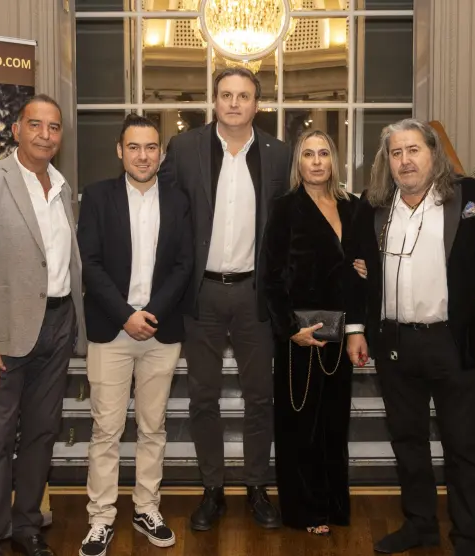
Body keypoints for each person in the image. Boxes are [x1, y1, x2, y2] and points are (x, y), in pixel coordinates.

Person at [346, 118, 475, 556]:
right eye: (396, 153)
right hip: (395, 343)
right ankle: (420, 525)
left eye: (413, 150)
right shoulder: (373, 204)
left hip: (453, 341)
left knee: (462, 445)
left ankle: (467, 536)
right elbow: (355, 270)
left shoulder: (472, 197)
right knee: (408, 441)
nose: (405, 160)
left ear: (433, 153)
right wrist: (357, 328)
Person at [0, 94, 87, 556]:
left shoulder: (62, 187)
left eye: (54, 127)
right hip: (4, 335)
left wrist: (74, 326)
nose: (45, 135)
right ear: (16, 130)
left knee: (43, 433)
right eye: (35, 125)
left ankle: (27, 525)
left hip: (58, 326)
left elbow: (62, 261)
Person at [157, 67, 291, 531]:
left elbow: (293, 224)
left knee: (260, 397)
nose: (234, 103)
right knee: (202, 398)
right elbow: (163, 215)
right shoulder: (184, 148)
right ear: (214, 101)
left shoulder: (279, 154)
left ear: (257, 104)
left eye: (244, 96)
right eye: (226, 95)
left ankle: (256, 487)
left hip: (255, 293)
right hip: (202, 293)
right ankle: (212, 489)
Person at [75, 114, 193, 556]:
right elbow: (89, 263)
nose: (143, 156)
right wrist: (126, 315)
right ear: (119, 151)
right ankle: (101, 517)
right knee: (106, 429)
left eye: (151, 147)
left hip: (161, 331)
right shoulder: (97, 197)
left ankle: (147, 508)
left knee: (152, 426)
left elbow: (184, 264)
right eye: (134, 147)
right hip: (112, 330)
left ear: (161, 153)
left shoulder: (179, 200)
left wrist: (151, 314)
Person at [261, 129, 358, 536]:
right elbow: (270, 277)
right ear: (297, 163)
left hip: (341, 333)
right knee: (300, 425)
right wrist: (289, 330)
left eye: (323, 153)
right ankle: (305, 510)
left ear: (333, 160)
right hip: (299, 336)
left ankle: (335, 505)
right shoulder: (285, 208)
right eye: (308, 154)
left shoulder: (352, 206)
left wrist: (361, 269)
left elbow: (360, 262)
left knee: (334, 424)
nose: (316, 161)